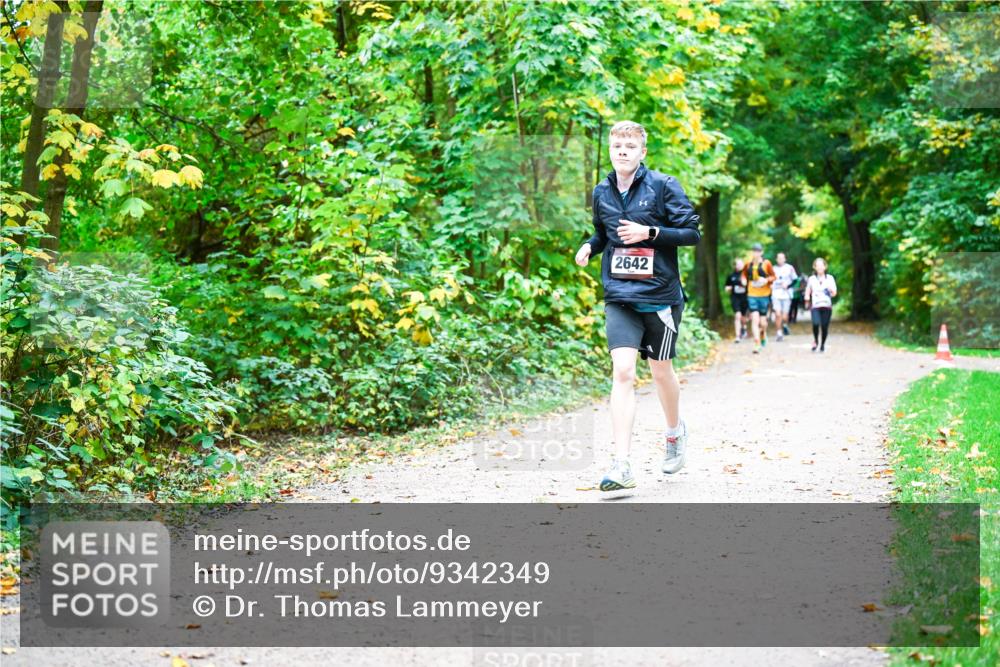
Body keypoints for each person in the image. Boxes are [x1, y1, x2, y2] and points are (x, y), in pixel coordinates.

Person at [574, 120, 700, 494]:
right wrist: (589, 245)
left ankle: (675, 432)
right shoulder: (602, 190)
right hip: (620, 296)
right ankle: (622, 463)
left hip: (660, 297)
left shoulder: (663, 186)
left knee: (661, 372)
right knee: (623, 372)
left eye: (630, 146)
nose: (623, 151)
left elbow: (692, 232)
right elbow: (603, 231)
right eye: (617, 146)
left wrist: (651, 234)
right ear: (611, 151)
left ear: (643, 151)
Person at [741, 243, 775, 354]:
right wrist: (744, 281)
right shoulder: (748, 264)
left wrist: (767, 280)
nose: (756, 253)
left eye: (758, 251)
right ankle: (757, 343)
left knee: (763, 323)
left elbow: (774, 276)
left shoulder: (767, 264)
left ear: (761, 252)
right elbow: (744, 275)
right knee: (754, 319)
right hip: (752, 295)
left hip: (764, 295)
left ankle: (763, 334)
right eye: (754, 251)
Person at [805, 257, 837, 352]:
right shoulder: (811, 279)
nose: (819, 267)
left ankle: (822, 344)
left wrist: (830, 290)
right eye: (817, 266)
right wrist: (806, 299)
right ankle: (816, 340)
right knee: (815, 324)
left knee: (824, 326)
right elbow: (808, 291)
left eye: (821, 265)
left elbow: (834, 293)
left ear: (825, 267)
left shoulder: (830, 278)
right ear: (814, 267)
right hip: (815, 306)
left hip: (827, 306)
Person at [771, 252, 797, 341]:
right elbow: (769, 280)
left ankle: (785, 325)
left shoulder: (790, 268)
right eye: (778, 258)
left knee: (785, 316)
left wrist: (788, 285)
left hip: (786, 294)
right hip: (776, 294)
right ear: (776, 259)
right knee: (778, 314)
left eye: (782, 258)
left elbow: (795, 280)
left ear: (785, 259)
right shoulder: (772, 269)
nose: (780, 260)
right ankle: (779, 332)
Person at [724, 258, 748, 343]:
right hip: (735, 298)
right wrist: (728, 288)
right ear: (735, 266)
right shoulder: (731, 275)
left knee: (743, 316)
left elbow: (750, 285)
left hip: (744, 297)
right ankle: (737, 336)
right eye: (737, 264)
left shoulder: (746, 274)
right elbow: (726, 286)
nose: (739, 266)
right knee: (737, 315)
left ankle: (744, 328)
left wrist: (745, 284)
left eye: (741, 264)